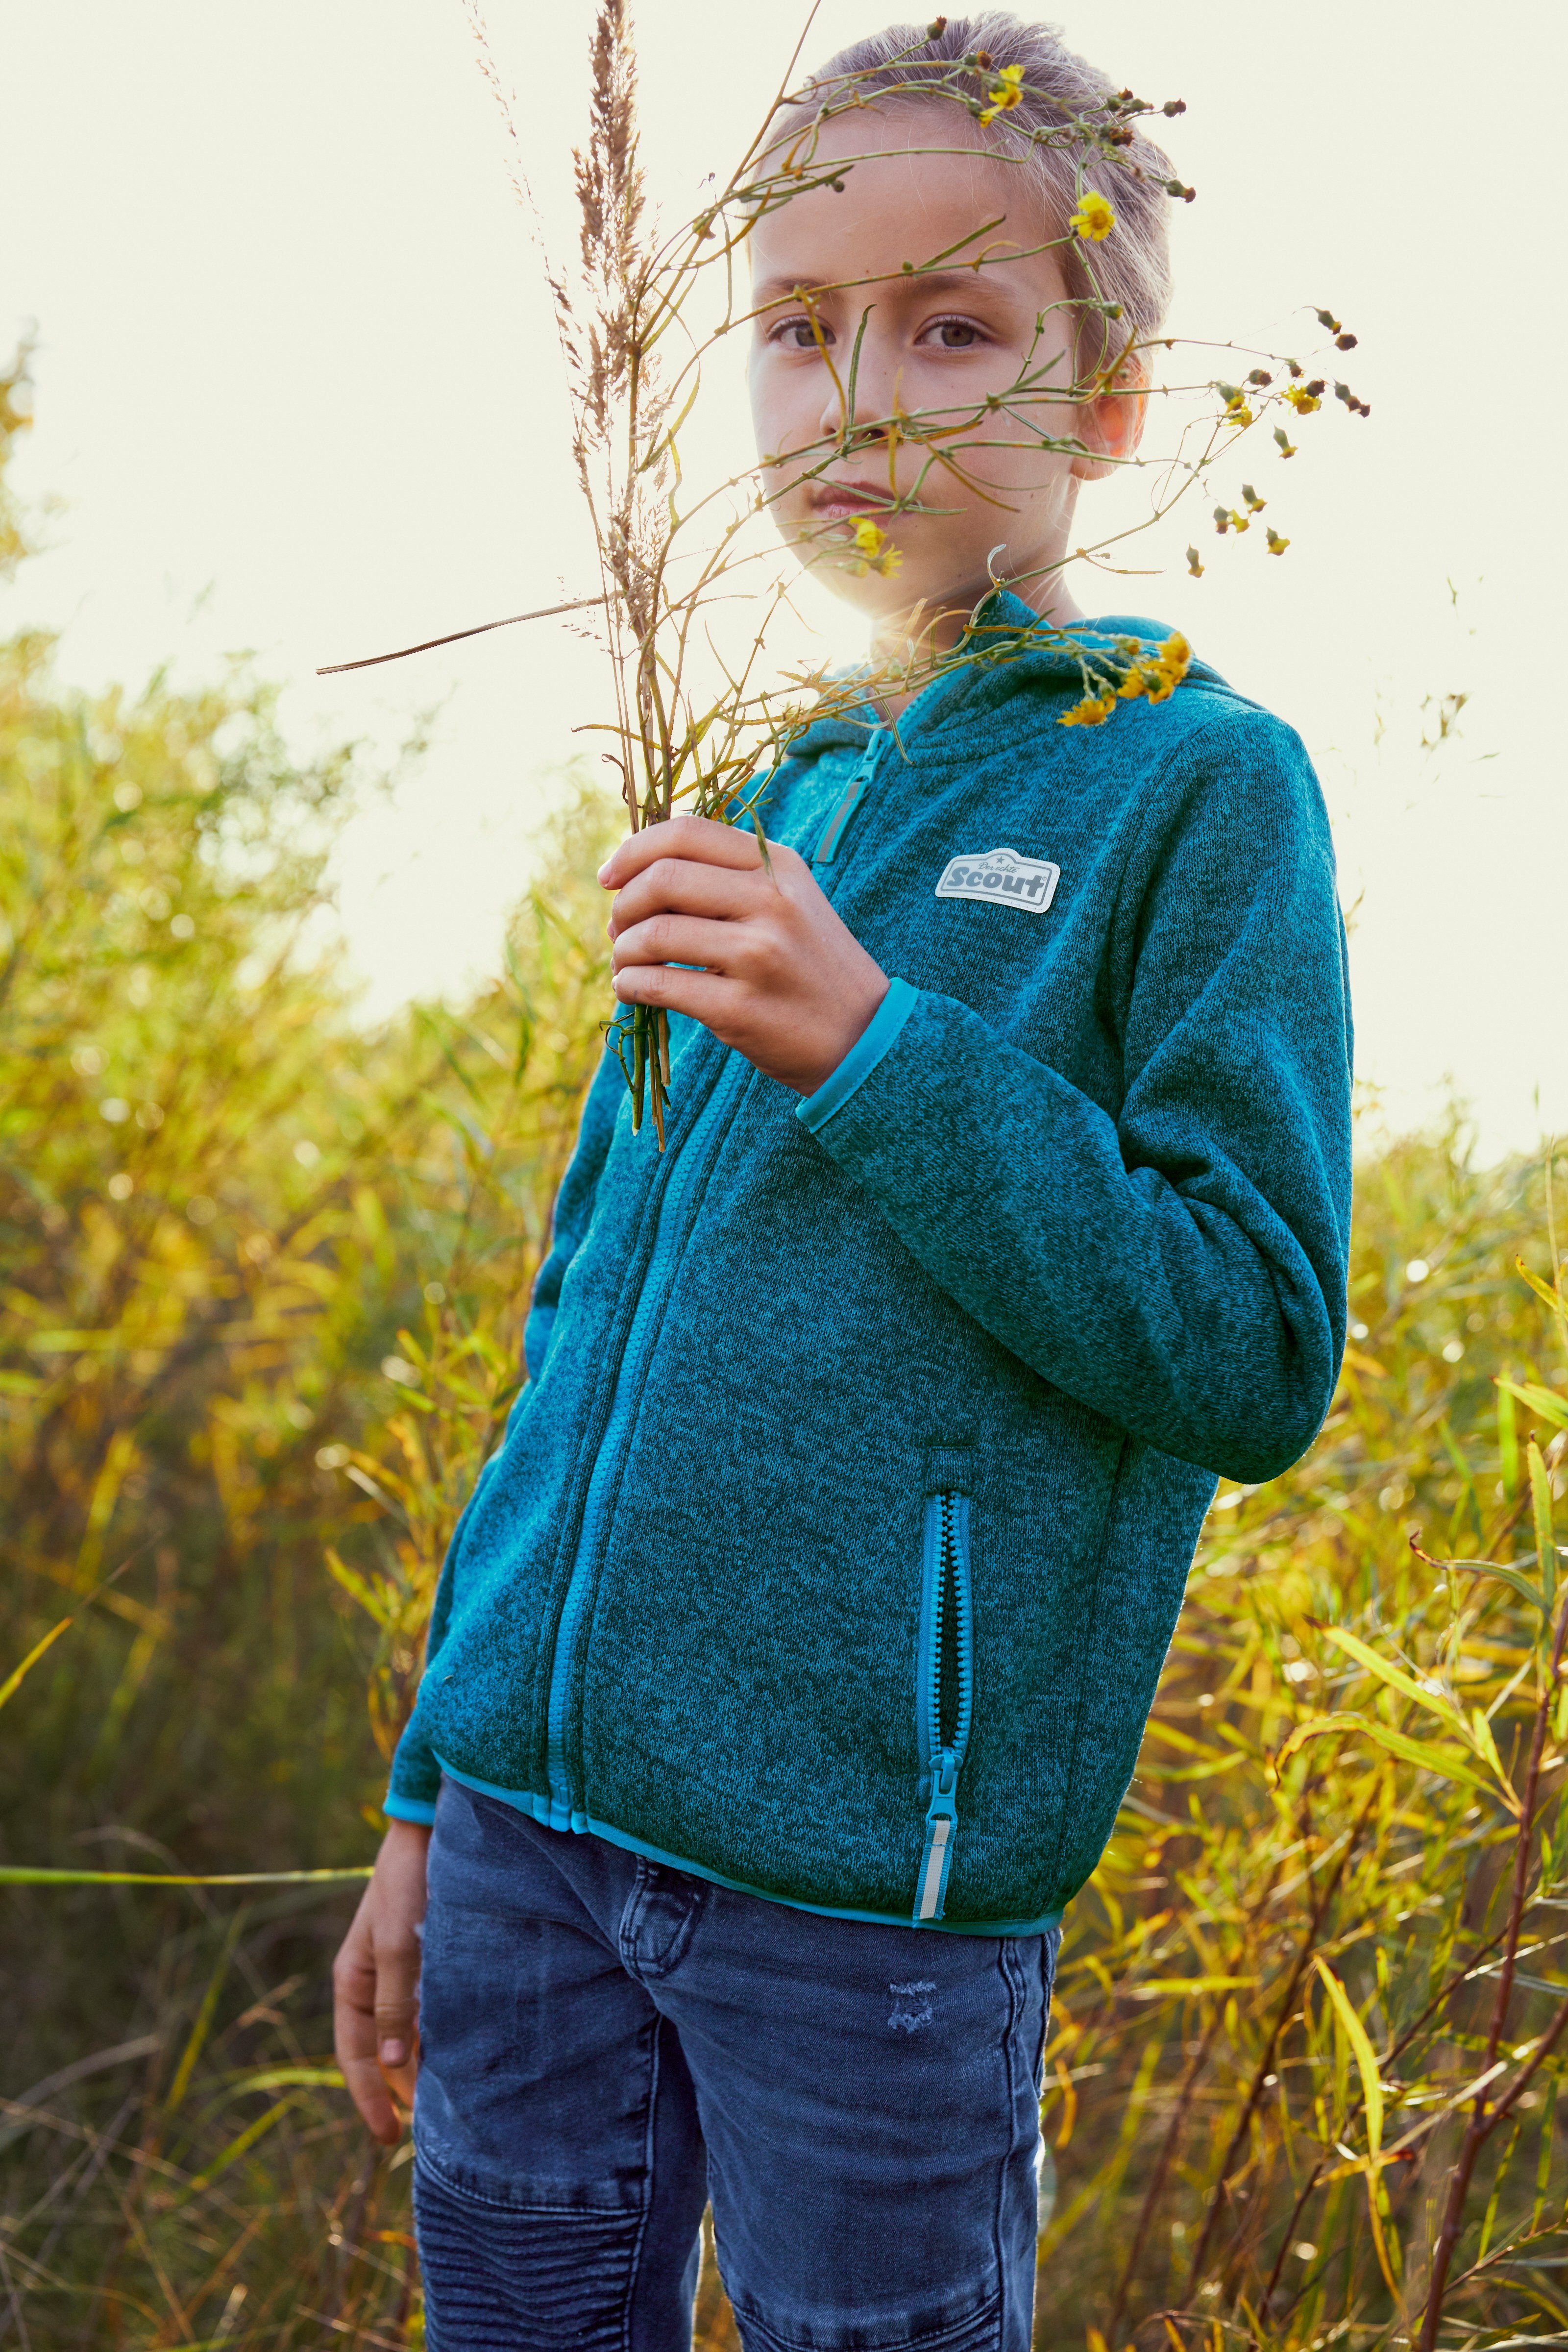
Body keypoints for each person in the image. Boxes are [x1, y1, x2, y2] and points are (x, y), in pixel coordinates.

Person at [332, 15, 1353, 2347]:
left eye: (952, 326)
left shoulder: (1193, 788)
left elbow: (1246, 1336)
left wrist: (879, 1046)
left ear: (1105, 405)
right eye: (795, 331)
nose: (859, 400)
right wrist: (428, 1787)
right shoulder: (757, 788)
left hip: (858, 1914)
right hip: (525, 1851)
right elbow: (584, 1310)